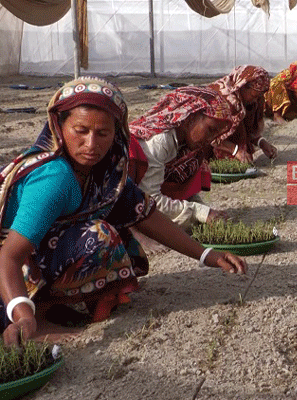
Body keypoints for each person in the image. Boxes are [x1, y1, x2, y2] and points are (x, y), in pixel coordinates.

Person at [0, 77, 246, 346]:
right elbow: (9, 256)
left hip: (33, 257)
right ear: (60, 126)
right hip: (8, 269)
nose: (91, 144)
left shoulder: (106, 171)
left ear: (116, 133)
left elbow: (146, 214)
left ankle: (49, 305)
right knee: (99, 237)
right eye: (80, 131)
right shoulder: (55, 178)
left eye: (102, 133)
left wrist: (206, 255)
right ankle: (35, 315)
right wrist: (24, 317)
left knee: (125, 245)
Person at [129, 86, 234, 229]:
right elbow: (150, 200)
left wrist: (204, 211)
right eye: (210, 130)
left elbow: (183, 192)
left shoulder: (187, 144)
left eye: (216, 134)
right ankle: (134, 230)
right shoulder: (160, 141)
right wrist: (200, 212)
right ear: (189, 119)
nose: (211, 139)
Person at [207, 65, 277, 164]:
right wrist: (235, 151)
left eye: (259, 97)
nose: (255, 100)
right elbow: (210, 135)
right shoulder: (225, 100)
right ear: (243, 86)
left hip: (228, 139)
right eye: (254, 96)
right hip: (207, 141)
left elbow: (249, 129)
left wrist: (261, 142)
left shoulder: (254, 100)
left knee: (245, 158)